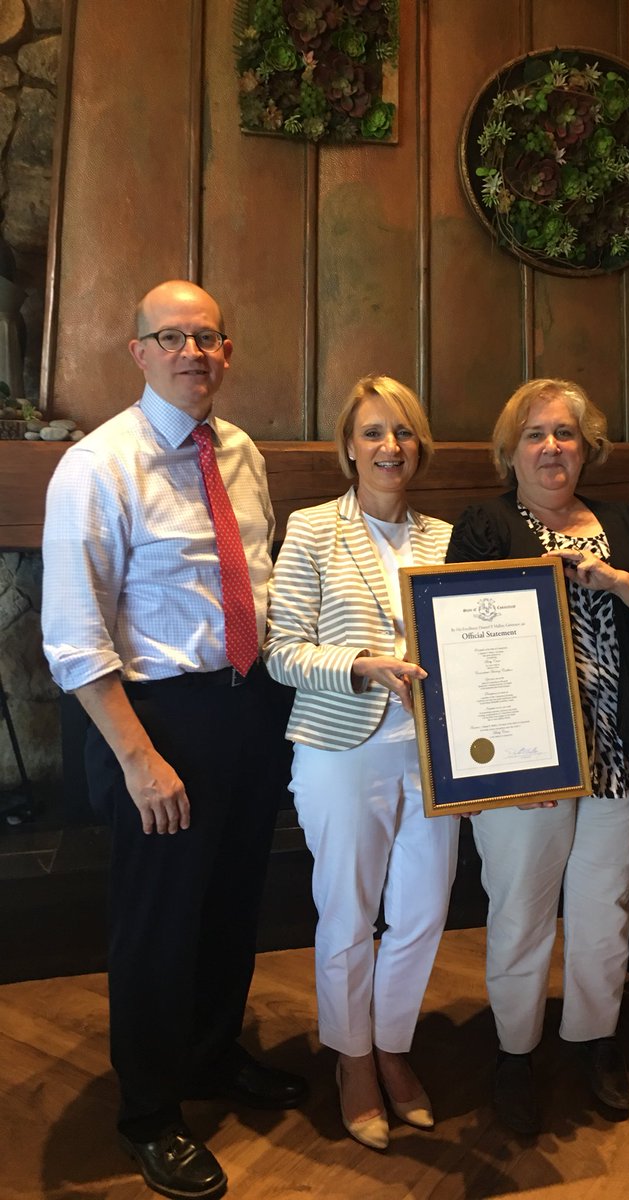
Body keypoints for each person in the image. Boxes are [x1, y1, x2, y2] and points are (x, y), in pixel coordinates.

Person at [41, 280, 306, 1200]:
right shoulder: (97, 466)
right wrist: (138, 757)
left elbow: (256, 578)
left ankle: (211, 1055)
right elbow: (74, 636)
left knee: (233, 903)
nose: (193, 352)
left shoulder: (242, 453)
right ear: (139, 352)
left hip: (248, 706)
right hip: (159, 720)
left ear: (227, 351)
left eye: (208, 337)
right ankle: (150, 1114)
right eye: (171, 337)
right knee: (156, 926)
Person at [446, 378, 629, 1134]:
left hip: (620, 752)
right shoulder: (486, 524)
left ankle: (594, 1039)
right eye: (535, 434)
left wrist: (617, 578)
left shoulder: (620, 522)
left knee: (603, 908)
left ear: (587, 448)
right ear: (510, 450)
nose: (552, 447)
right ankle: (514, 1053)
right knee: (520, 910)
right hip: (527, 765)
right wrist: (501, 764)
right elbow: (457, 645)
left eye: (566, 434)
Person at [264, 375, 459, 1151]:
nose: (390, 446)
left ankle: (393, 1046)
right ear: (349, 445)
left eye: (403, 432)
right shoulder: (313, 528)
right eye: (374, 431)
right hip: (341, 750)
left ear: (420, 447)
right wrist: (359, 666)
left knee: (424, 911)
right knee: (348, 912)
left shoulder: (447, 538)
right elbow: (282, 651)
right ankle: (352, 1060)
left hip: (436, 756)